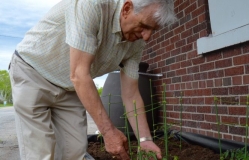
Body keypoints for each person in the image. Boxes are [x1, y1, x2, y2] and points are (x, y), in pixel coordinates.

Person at [8, 0, 177, 159]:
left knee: (74, 152)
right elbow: (79, 74)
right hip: (32, 72)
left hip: (69, 87)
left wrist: (145, 139)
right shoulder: (92, 5)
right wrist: (108, 132)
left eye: (152, 30)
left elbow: (131, 93)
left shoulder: (136, 42)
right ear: (126, 9)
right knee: (40, 152)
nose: (146, 37)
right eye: (144, 26)